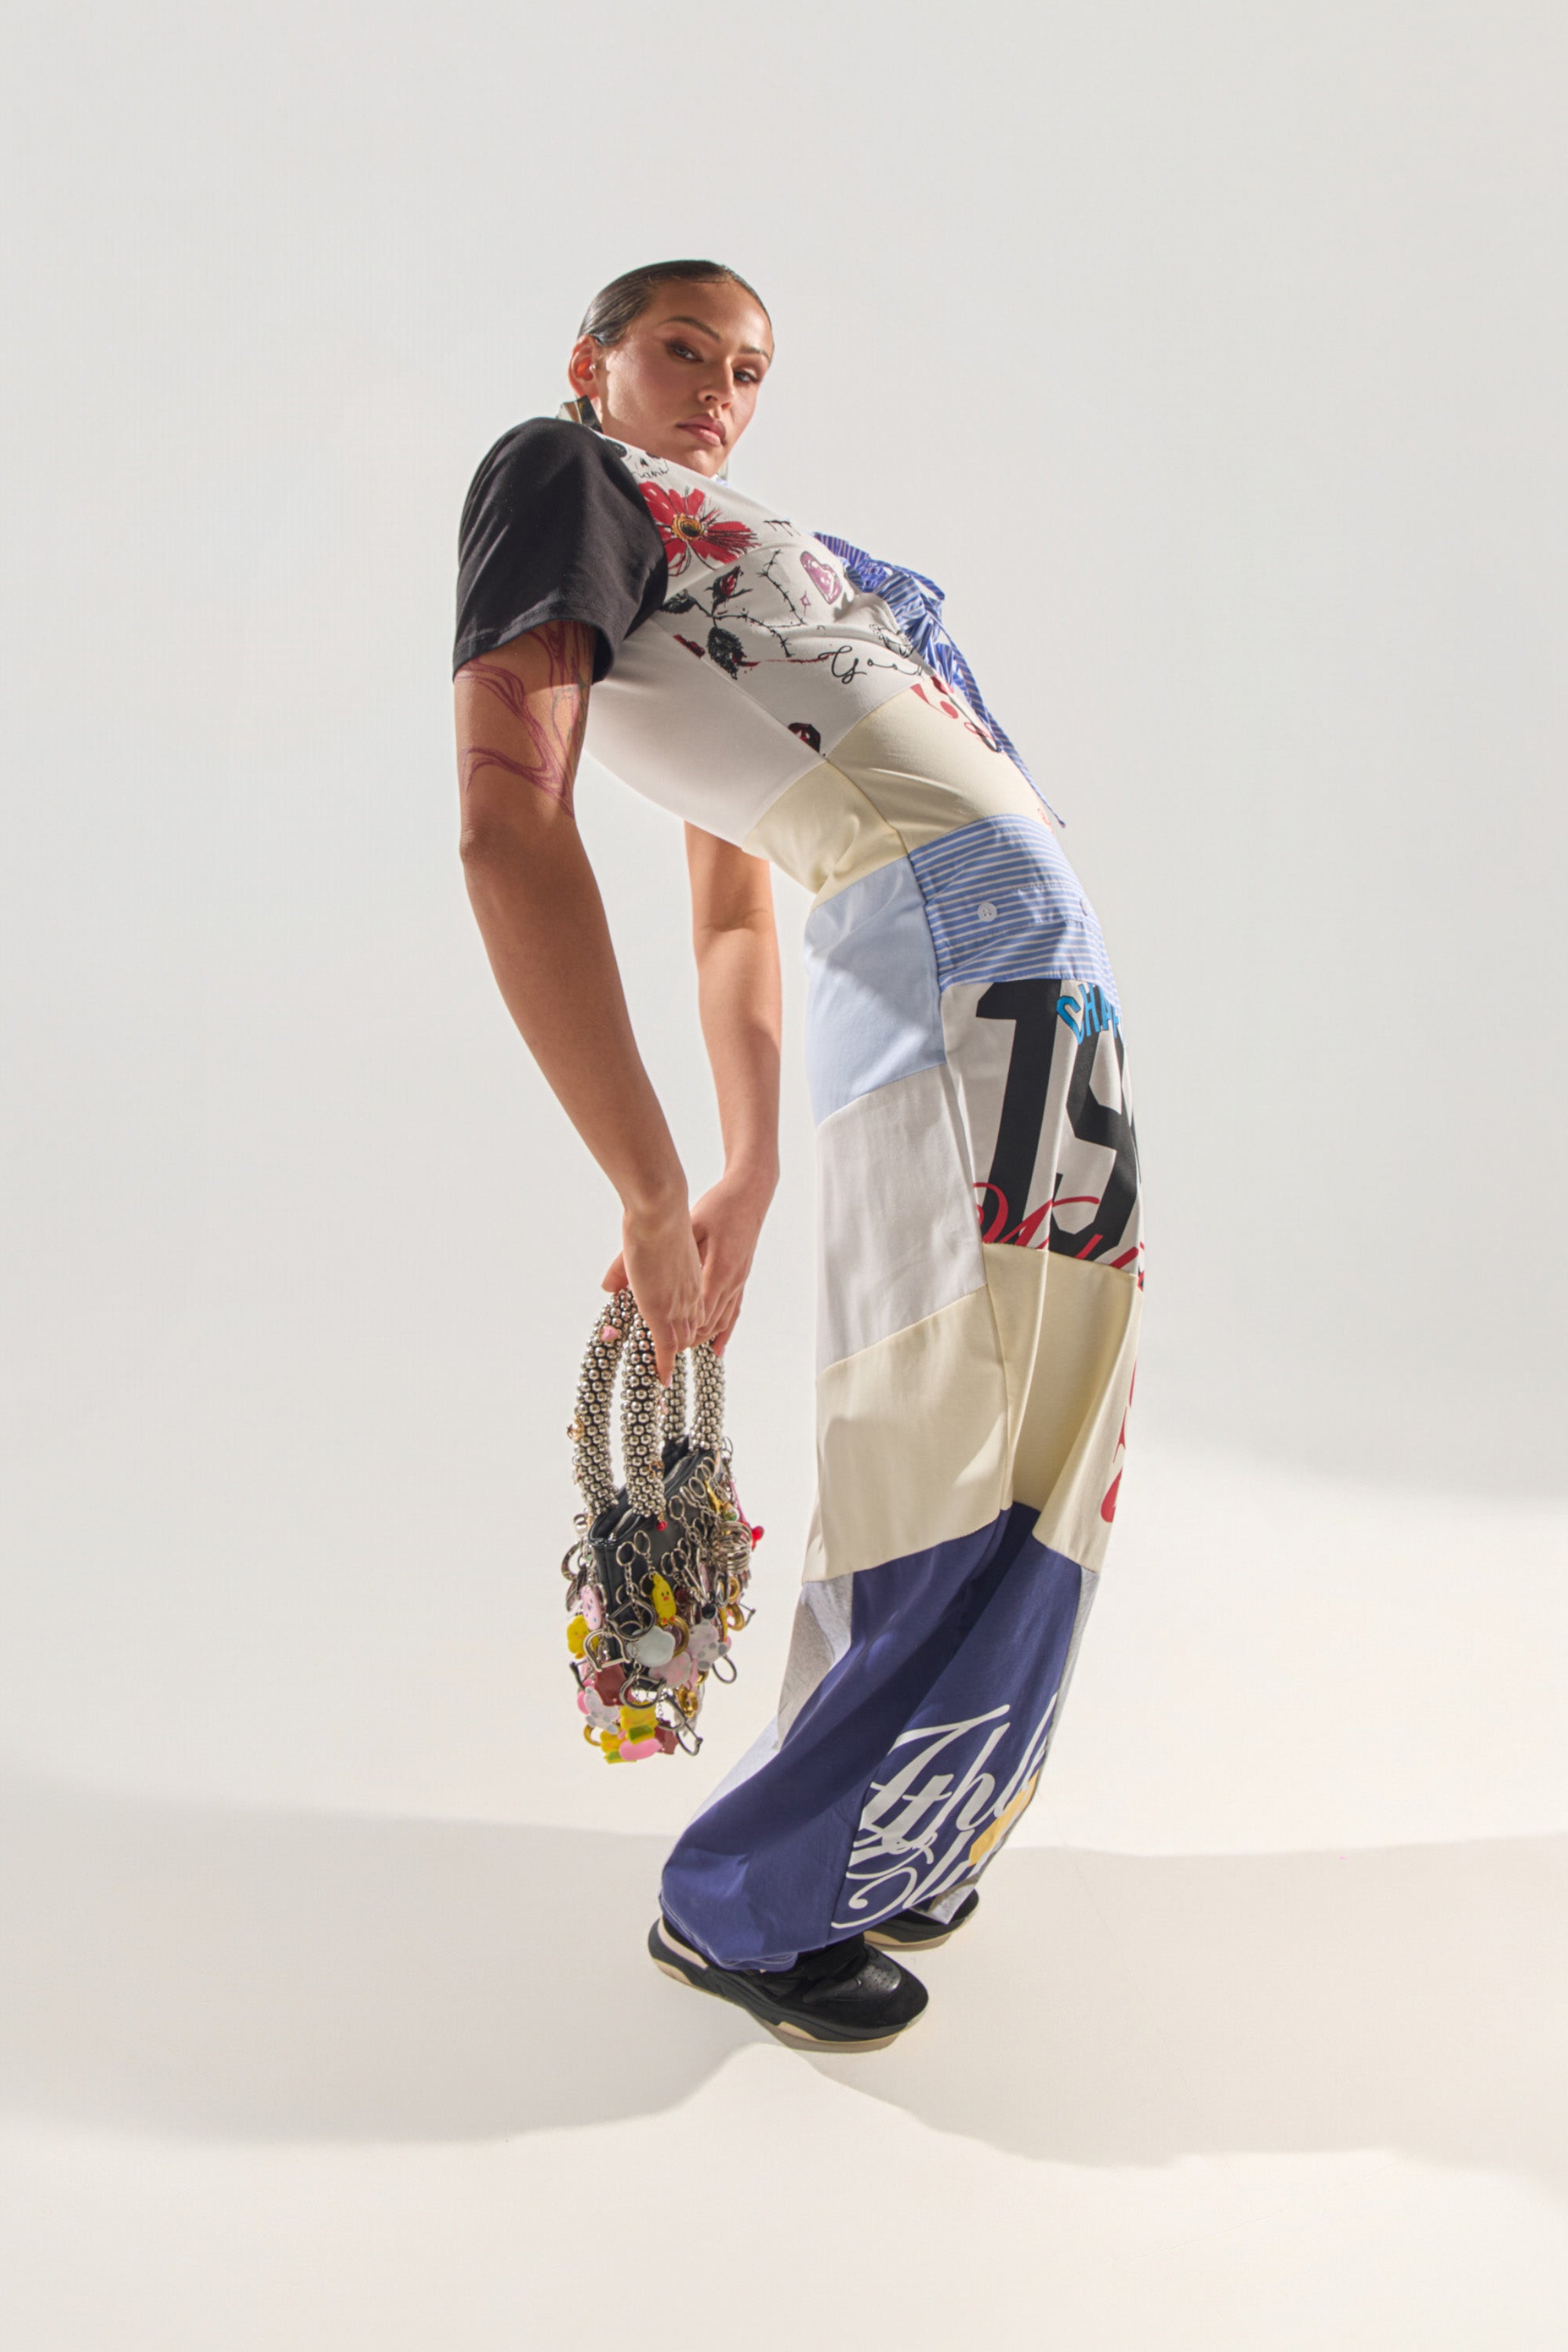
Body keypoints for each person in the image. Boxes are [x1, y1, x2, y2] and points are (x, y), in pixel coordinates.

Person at [452, 260, 1143, 2053]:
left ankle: (889, 1827)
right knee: (960, 1426)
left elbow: (726, 912)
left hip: (1028, 985)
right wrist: (640, 1181)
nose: (719, 387)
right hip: (947, 966)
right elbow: (506, 824)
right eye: (682, 347)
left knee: (1047, 1421)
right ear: (591, 361)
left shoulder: (734, 555)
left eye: (750, 366)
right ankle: (751, 1900)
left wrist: (743, 1168)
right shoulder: (561, 474)